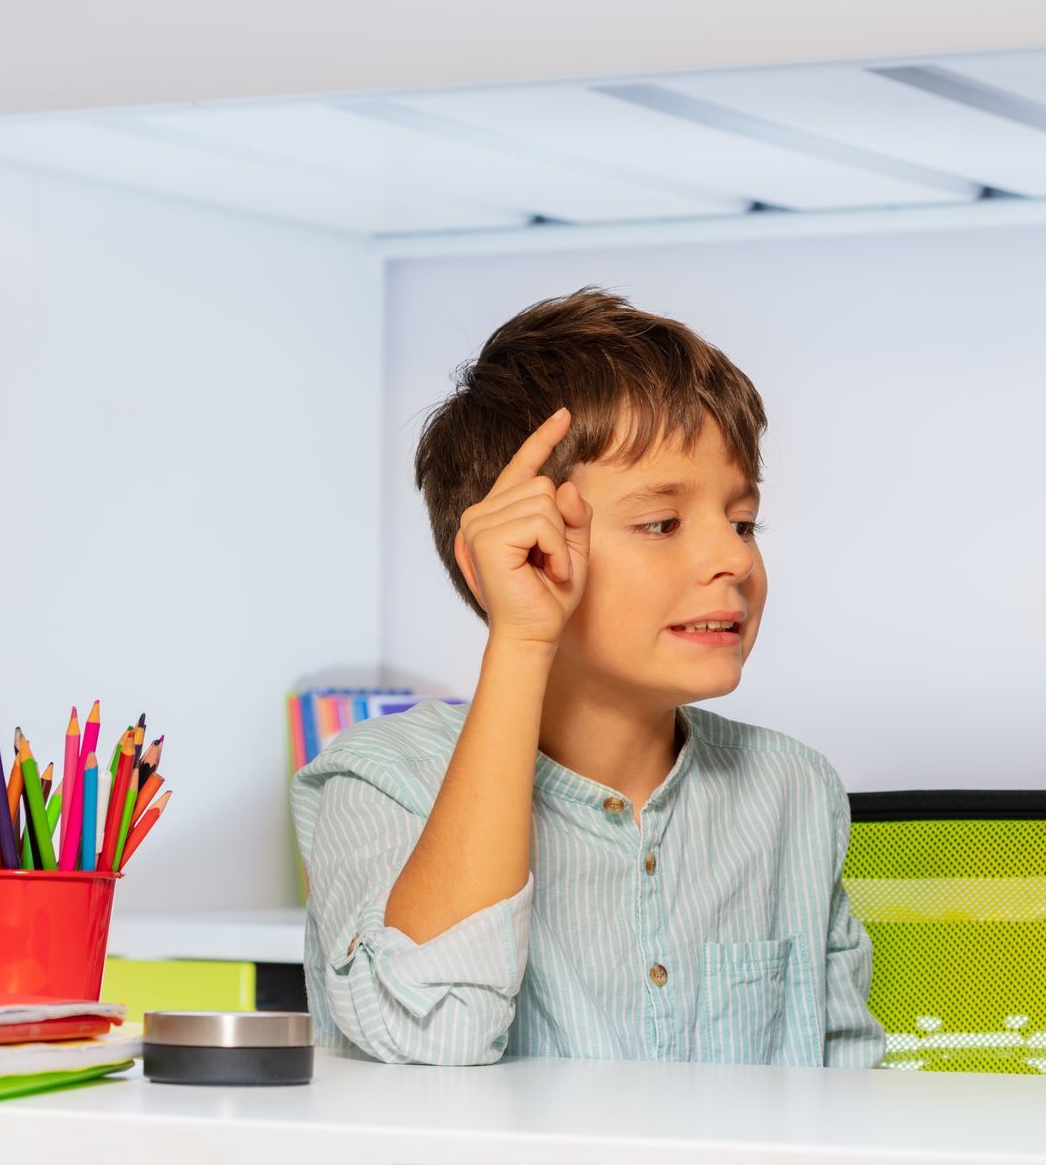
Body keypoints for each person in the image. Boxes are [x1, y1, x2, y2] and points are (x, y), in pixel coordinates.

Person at [292, 288, 883, 1068]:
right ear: (516, 555)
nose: (735, 559)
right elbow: (434, 1034)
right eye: (662, 523)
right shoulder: (379, 780)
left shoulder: (792, 791)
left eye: (743, 521)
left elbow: (845, 1085)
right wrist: (521, 638)